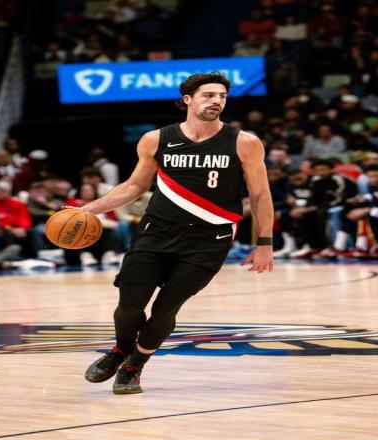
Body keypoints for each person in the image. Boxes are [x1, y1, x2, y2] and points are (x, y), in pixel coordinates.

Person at [80, 73, 274, 394]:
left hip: (209, 239)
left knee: (166, 309)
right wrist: (87, 210)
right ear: (188, 99)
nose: (216, 101)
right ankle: (121, 348)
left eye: (222, 96)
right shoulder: (156, 139)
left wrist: (264, 242)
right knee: (129, 304)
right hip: (156, 231)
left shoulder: (244, 142)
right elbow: (133, 186)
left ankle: (134, 365)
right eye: (208, 95)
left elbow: (260, 195)